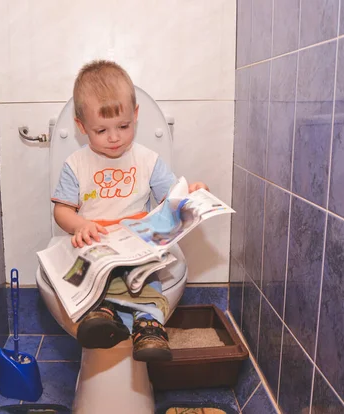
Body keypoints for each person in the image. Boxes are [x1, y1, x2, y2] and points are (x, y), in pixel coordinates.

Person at [51, 60, 208, 362]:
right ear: (81, 127)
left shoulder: (148, 160)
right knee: (92, 271)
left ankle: (148, 326)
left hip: (137, 241)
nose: (114, 137)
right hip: (95, 243)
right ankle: (102, 314)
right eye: (101, 130)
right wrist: (79, 225)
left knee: (147, 272)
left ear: (135, 116)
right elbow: (62, 211)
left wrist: (192, 193)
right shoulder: (76, 164)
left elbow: (171, 198)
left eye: (123, 126)